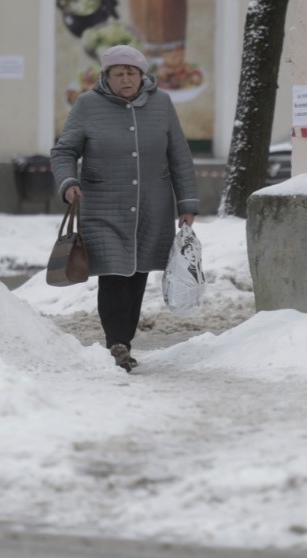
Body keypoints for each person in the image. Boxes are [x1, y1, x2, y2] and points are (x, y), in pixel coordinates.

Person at [50, 44, 199, 372]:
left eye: (131, 73)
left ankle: (123, 341)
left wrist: (187, 204)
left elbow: (179, 156)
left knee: (138, 274)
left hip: (152, 206)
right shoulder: (88, 105)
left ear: (142, 76)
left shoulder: (161, 104)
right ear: (106, 77)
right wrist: (68, 183)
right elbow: (63, 152)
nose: (126, 79)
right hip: (103, 205)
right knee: (114, 273)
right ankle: (117, 343)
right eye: (119, 74)